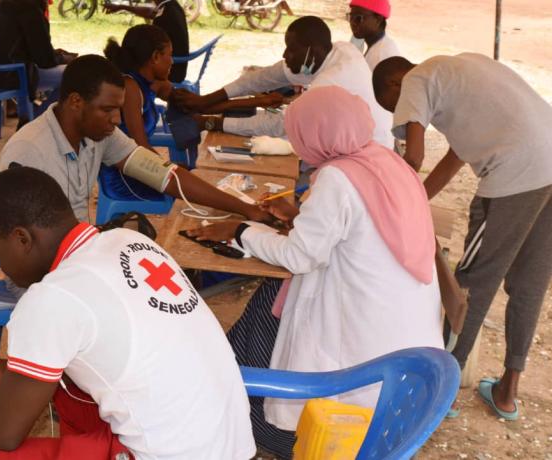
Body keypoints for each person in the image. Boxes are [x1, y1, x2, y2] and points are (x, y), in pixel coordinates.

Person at [0, 166, 256, 459]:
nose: (1, 270)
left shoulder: (50, 297)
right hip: (230, 446)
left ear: (22, 239)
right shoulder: (133, 243)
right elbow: (113, 342)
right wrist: (3, 369)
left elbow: (4, 432)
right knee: (76, 403)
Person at [187, 86, 443, 458]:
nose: (294, 141)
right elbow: (359, 229)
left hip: (362, 354)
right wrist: (300, 217)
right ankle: (226, 397)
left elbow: (299, 257)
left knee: (265, 314)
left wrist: (241, 231)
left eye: (297, 133)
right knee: (267, 308)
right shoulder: (382, 161)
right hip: (408, 344)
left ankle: (242, 420)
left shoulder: (338, 178)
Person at [373, 55, 552, 422]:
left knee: (470, 284)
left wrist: (388, 202)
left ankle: (439, 394)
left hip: (516, 171)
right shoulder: (458, 72)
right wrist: (416, 202)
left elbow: (414, 158)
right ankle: (507, 391)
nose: (404, 120)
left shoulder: (415, 80)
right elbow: (455, 156)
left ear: (395, 85)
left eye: (394, 110)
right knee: (530, 283)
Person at [0, 54, 270, 224]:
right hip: (43, 280)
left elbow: (164, 175)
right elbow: (19, 244)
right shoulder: (29, 151)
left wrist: (244, 207)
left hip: (77, 257)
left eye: (119, 109)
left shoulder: (101, 134)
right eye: (107, 110)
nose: (117, 119)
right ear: (76, 102)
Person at [174, 16, 394, 149]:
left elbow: (280, 124)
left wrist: (211, 123)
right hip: (349, 142)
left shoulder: (329, 82)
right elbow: (266, 77)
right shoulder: (334, 51)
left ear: (311, 50)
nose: (285, 53)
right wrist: (205, 100)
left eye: (291, 48)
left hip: (369, 149)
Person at [0, 0, 74, 123]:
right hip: (7, 75)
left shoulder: (3, 5)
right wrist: (63, 58)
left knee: (26, 69)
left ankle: (28, 116)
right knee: (72, 75)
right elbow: (45, 60)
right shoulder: (30, 9)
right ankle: (36, 119)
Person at [104, 24, 172, 151]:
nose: (171, 62)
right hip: (118, 165)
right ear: (156, 57)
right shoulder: (130, 86)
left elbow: (184, 101)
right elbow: (139, 147)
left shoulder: (150, 82)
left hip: (133, 161)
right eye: (169, 55)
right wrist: (170, 169)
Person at [104, 0, 189, 83]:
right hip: (178, 67)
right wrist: (122, 7)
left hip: (172, 71)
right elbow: (151, 12)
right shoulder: (171, 6)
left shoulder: (163, 17)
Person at [347, 0, 400, 71]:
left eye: (358, 18)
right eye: (351, 17)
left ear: (378, 20)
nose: (352, 23)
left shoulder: (380, 56)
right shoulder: (378, 45)